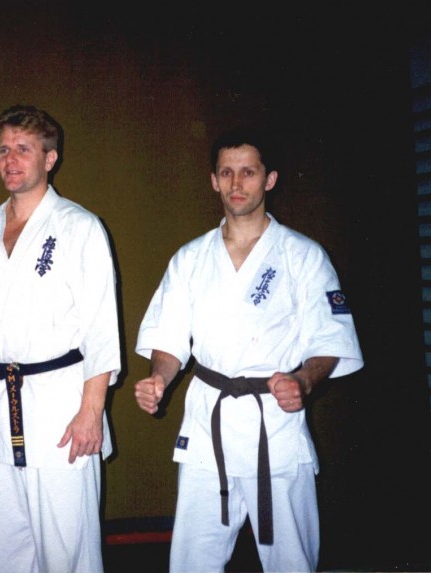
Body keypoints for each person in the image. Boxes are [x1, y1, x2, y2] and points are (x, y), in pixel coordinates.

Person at [134, 129, 363, 572]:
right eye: (226, 173)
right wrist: (159, 377)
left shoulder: (303, 255)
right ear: (213, 181)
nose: (236, 183)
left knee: (291, 560)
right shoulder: (190, 258)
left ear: (269, 179)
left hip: (274, 424)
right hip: (208, 425)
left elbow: (329, 339)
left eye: (248, 172)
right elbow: (168, 337)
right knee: (191, 561)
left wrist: (303, 381)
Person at [0, 105, 121, 573]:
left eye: (23, 149)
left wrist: (92, 411)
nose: (10, 159)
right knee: (1, 544)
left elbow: (101, 326)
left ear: (50, 158)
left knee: (68, 550)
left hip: (61, 410)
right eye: (3, 149)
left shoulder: (78, 226)